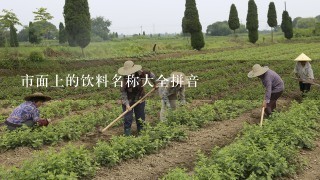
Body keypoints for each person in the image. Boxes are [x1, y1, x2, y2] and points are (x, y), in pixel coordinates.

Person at [118, 61, 156, 136]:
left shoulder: (141, 73)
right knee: (128, 118)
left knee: (140, 118)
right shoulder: (124, 80)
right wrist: (127, 105)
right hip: (128, 99)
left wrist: (155, 83)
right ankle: (127, 134)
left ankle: (141, 134)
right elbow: (123, 93)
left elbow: (151, 75)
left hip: (140, 98)